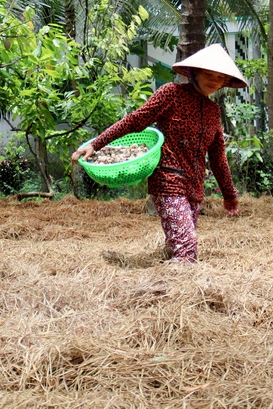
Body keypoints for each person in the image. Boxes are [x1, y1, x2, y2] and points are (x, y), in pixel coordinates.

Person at [71, 44, 246, 263]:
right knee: (187, 246)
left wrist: (229, 195)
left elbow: (218, 157)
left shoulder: (213, 111)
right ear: (194, 73)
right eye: (208, 74)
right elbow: (134, 120)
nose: (213, 80)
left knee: (178, 246)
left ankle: (172, 286)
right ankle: (174, 292)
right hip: (168, 181)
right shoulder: (170, 94)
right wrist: (97, 144)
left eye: (219, 77)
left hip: (195, 187)